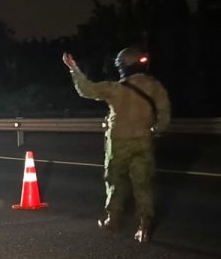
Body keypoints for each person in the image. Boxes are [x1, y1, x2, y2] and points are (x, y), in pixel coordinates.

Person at [62, 47, 171, 242]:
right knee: (143, 183)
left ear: (123, 66)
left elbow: (87, 90)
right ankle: (144, 226)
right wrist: (155, 131)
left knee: (114, 179)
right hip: (144, 141)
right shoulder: (156, 86)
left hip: (119, 142)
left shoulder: (117, 88)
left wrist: (74, 69)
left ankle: (113, 219)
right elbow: (164, 117)